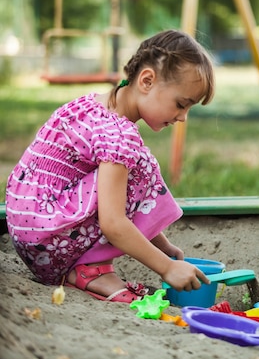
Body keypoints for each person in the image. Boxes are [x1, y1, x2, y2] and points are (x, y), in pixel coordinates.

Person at [5, 29, 215, 303]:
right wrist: (167, 267)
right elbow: (113, 223)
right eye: (180, 104)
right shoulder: (119, 136)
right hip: (49, 242)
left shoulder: (91, 105)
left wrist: (162, 248)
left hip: (27, 228)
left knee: (133, 165)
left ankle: (79, 265)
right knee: (140, 168)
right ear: (147, 81)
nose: (183, 117)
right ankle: (90, 270)